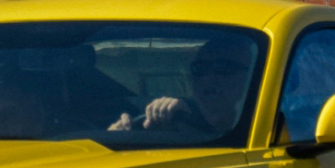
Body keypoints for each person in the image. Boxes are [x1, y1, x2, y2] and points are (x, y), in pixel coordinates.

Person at [110, 38, 259, 139]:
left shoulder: (270, 128)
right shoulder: (177, 120)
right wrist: (124, 137)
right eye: (199, 69)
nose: (208, 78)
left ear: (253, 75)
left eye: (224, 68)